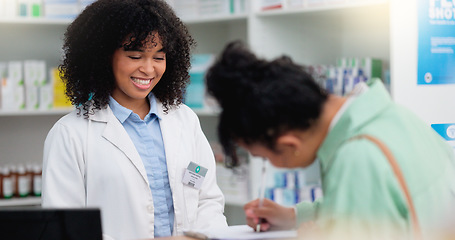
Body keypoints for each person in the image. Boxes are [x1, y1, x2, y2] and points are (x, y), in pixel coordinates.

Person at [205, 41, 455, 239]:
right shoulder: (390, 117)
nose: (268, 163)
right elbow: (376, 202)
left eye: (264, 157)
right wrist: (294, 216)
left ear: (289, 144)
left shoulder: (357, 158)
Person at [41, 0, 228, 239]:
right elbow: (66, 227)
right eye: (135, 56)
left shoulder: (185, 120)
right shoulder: (70, 134)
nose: (149, 69)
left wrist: (199, 236)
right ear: (103, 56)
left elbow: (208, 199)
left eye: (158, 57)